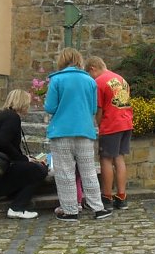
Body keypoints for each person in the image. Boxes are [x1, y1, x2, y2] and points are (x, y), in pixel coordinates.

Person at [44, 48, 113, 221]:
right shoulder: (89, 80)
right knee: (88, 171)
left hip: (62, 132)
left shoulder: (57, 79)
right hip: (85, 131)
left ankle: (70, 210)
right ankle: (98, 208)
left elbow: (50, 107)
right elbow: (92, 108)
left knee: (65, 173)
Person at [0, 89, 48, 219]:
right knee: (39, 170)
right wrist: (24, 159)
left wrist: (25, 158)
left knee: (32, 167)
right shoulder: (12, 118)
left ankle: (14, 196)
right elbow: (3, 143)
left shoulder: (5, 115)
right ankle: (17, 207)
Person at [84, 56, 133, 210]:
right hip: (126, 123)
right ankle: (121, 196)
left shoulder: (99, 82)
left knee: (105, 159)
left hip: (111, 124)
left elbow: (99, 109)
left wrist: (97, 125)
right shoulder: (121, 79)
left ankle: (106, 197)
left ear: (92, 68)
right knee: (119, 158)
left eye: (89, 73)